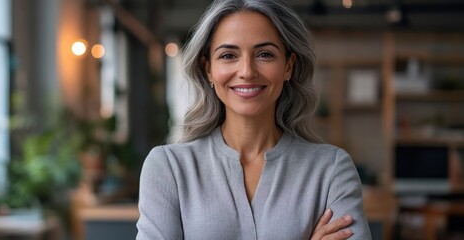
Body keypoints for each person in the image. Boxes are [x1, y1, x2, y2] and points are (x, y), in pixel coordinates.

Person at [136, 0, 371, 239]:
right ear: (208, 68)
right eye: (228, 55)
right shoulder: (169, 168)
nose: (247, 71)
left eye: (265, 54)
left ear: (288, 66)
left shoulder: (331, 170)